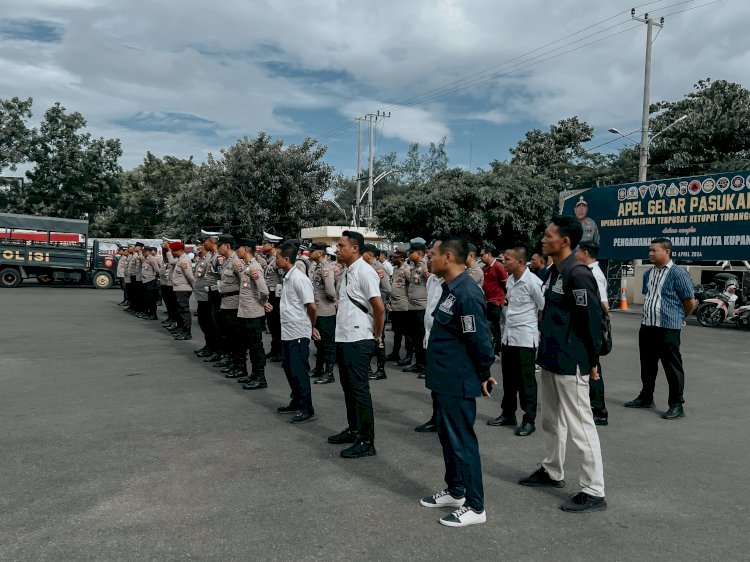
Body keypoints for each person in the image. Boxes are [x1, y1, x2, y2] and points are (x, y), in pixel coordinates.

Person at [519, 216, 606, 514]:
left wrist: (593, 360)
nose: (543, 240)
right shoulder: (555, 271)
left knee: (581, 425)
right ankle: (552, 470)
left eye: (548, 235)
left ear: (565, 240)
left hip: (573, 361)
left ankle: (594, 490)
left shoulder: (578, 273)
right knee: (551, 420)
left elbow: (591, 320)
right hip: (552, 356)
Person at [419, 236, 496, 528]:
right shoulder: (448, 288)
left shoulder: (467, 293)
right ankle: (456, 491)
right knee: (446, 437)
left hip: (457, 379)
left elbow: (479, 339)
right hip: (442, 377)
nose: (429, 259)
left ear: (448, 257)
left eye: (433, 254)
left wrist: (484, 371)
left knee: (463, 442)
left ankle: (476, 506)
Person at [327, 230, 385, 459]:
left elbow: (378, 308)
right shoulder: (347, 272)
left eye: (341, 245)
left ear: (355, 248)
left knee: (360, 390)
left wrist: (377, 336)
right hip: (344, 337)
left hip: (359, 338)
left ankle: (367, 440)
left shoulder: (365, 271)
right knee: (348, 388)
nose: (337, 249)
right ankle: (353, 429)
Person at [624, 238, 696, 420]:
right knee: (647, 365)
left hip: (668, 328)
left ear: (667, 251)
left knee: (672, 367)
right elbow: (649, 297)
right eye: (649, 250)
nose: (650, 253)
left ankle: (677, 405)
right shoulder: (649, 273)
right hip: (648, 325)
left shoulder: (678, 274)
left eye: (654, 250)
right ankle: (646, 397)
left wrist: (680, 318)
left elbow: (690, 302)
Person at [487, 244, 544, 436]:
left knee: (527, 382)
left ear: (520, 261)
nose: (504, 261)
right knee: (509, 380)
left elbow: (543, 307)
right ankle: (508, 413)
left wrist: (540, 332)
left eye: (507, 259)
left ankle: (529, 420)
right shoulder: (511, 280)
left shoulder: (533, 282)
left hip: (525, 339)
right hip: (509, 337)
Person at [274, 241, 318, 423]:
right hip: (288, 330)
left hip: (299, 331)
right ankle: (297, 400)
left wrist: (312, 326)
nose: (275, 260)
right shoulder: (287, 277)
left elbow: (312, 307)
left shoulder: (300, 278)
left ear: (286, 259)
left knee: (299, 370)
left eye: (277, 257)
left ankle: (307, 407)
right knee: (288, 367)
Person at [575, 241, 610, 426]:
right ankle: (590, 407)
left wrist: (600, 329)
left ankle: (599, 411)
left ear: (586, 252)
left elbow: (602, 304)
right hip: (587, 327)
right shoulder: (586, 271)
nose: (575, 253)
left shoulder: (594, 274)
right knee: (588, 368)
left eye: (578, 251)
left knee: (594, 369)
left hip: (591, 327)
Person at [234, 239, 270, 387]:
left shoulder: (254, 268)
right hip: (246, 312)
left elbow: (264, 290)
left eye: (239, 248)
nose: (237, 251)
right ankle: (253, 374)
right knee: (249, 344)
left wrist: (262, 303)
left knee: (256, 346)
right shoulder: (247, 267)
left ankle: (260, 377)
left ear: (246, 249)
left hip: (253, 313)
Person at [308, 242, 338, 385]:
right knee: (318, 342)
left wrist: (334, 300)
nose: (309, 252)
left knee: (328, 343)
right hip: (317, 310)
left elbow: (331, 291)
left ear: (320, 253)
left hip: (326, 310)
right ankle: (319, 368)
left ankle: (329, 372)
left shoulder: (326, 268)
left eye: (312, 251)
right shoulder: (316, 266)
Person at [216, 235, 244, 374]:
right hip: (226, 302)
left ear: (227, 246)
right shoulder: (226, 261)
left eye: (219, 245)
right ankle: (233, 361)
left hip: (234, 303)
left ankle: (239, 366)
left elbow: (244, 283)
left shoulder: (236, 262)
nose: (217, 248)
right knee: (229, 335)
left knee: (236, 337)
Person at [363, 243, 391, 381]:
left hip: (377, 306)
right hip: (366, 309)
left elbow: (387, 288)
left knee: (379, 338)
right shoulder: (362, 267)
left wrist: (380, 298)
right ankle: (367, 368)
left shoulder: (378, 268)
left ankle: (380, 370)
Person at [401, 241, 429, 374]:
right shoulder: (414, 266)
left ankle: (425, 365)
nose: (408, 254)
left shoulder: (425, 266)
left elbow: (432, 284)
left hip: (422, 307)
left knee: (422, 337)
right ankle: (418, 363)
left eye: (411, 252)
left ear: (419, 253)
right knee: (415, 337)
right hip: (412, 306)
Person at [480, 246, 508, 356]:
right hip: (486, 301)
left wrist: (503, 297)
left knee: (495, 326)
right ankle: (489, 348)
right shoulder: (484, 268)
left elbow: (505, 284)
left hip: (496, 301)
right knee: (487, 326)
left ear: (489, 254)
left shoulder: (498, 266)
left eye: (482, 255)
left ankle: (497, 350)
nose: (481, 257)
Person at [385, 249, 412, 364]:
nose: (392, 258)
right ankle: (395, 353)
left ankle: (408, 355)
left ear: (401, 258)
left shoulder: (407, 270)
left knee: (407, 333)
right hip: (395, 306)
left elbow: (412, 286)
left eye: (395, 257)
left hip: (404, 306)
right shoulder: (395, 269)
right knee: (397, 332)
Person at [262, 238, 283, 362]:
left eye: (265, 243)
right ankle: (274, 349)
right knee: (271, 324)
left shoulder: (277, 259)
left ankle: (279, 351)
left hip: (276, 295)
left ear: (272, 245)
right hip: (270, 294)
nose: (263, 245)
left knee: (276, 324)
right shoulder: (270, 259)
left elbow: (282, 278)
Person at [169, 241, 195, 340]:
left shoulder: (184, 260)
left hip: (183, 288)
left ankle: (187, 332)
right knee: (180, 310)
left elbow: (189, 276)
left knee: (184, 310)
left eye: (173, 251)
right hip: (179, 288)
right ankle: (181, 329)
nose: (172, 252)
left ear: (178, 250)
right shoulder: (180, 259)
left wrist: (194, 287)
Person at [140, 246, 161, 320]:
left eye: (144, 252)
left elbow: (157, 270)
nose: (143, 253)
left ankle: (153, 314)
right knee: (147, 298)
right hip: (145, 281)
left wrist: (156, 278)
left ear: (148, 251)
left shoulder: (152, 259)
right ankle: (149, 313)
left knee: (151, 298)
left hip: (150, 281)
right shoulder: (145, 259)